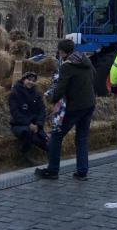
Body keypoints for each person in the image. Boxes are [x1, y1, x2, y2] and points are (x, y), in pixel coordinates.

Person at [35, 39, 96, 181]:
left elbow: (60, 88)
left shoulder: (66, 67)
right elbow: (93, 77)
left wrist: (51, 98)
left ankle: (53, 170)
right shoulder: (85, 60)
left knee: (56, 136)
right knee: (81, 138)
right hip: (89, 104)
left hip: (75, 106)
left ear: (62, 52)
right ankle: (82, 171)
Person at [9, 71, 48, 165]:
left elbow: (42, 110)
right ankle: (25, 155)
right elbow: (15, 113)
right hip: (19, 125)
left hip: (35, 125)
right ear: (23, 80)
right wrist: (28, 124)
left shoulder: (36, 94)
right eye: (28, 80)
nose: (31, 82)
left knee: (46, 142)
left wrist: (38, 124)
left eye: (33, 80)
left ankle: (50, 158)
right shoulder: (15, 93)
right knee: (27, 133)